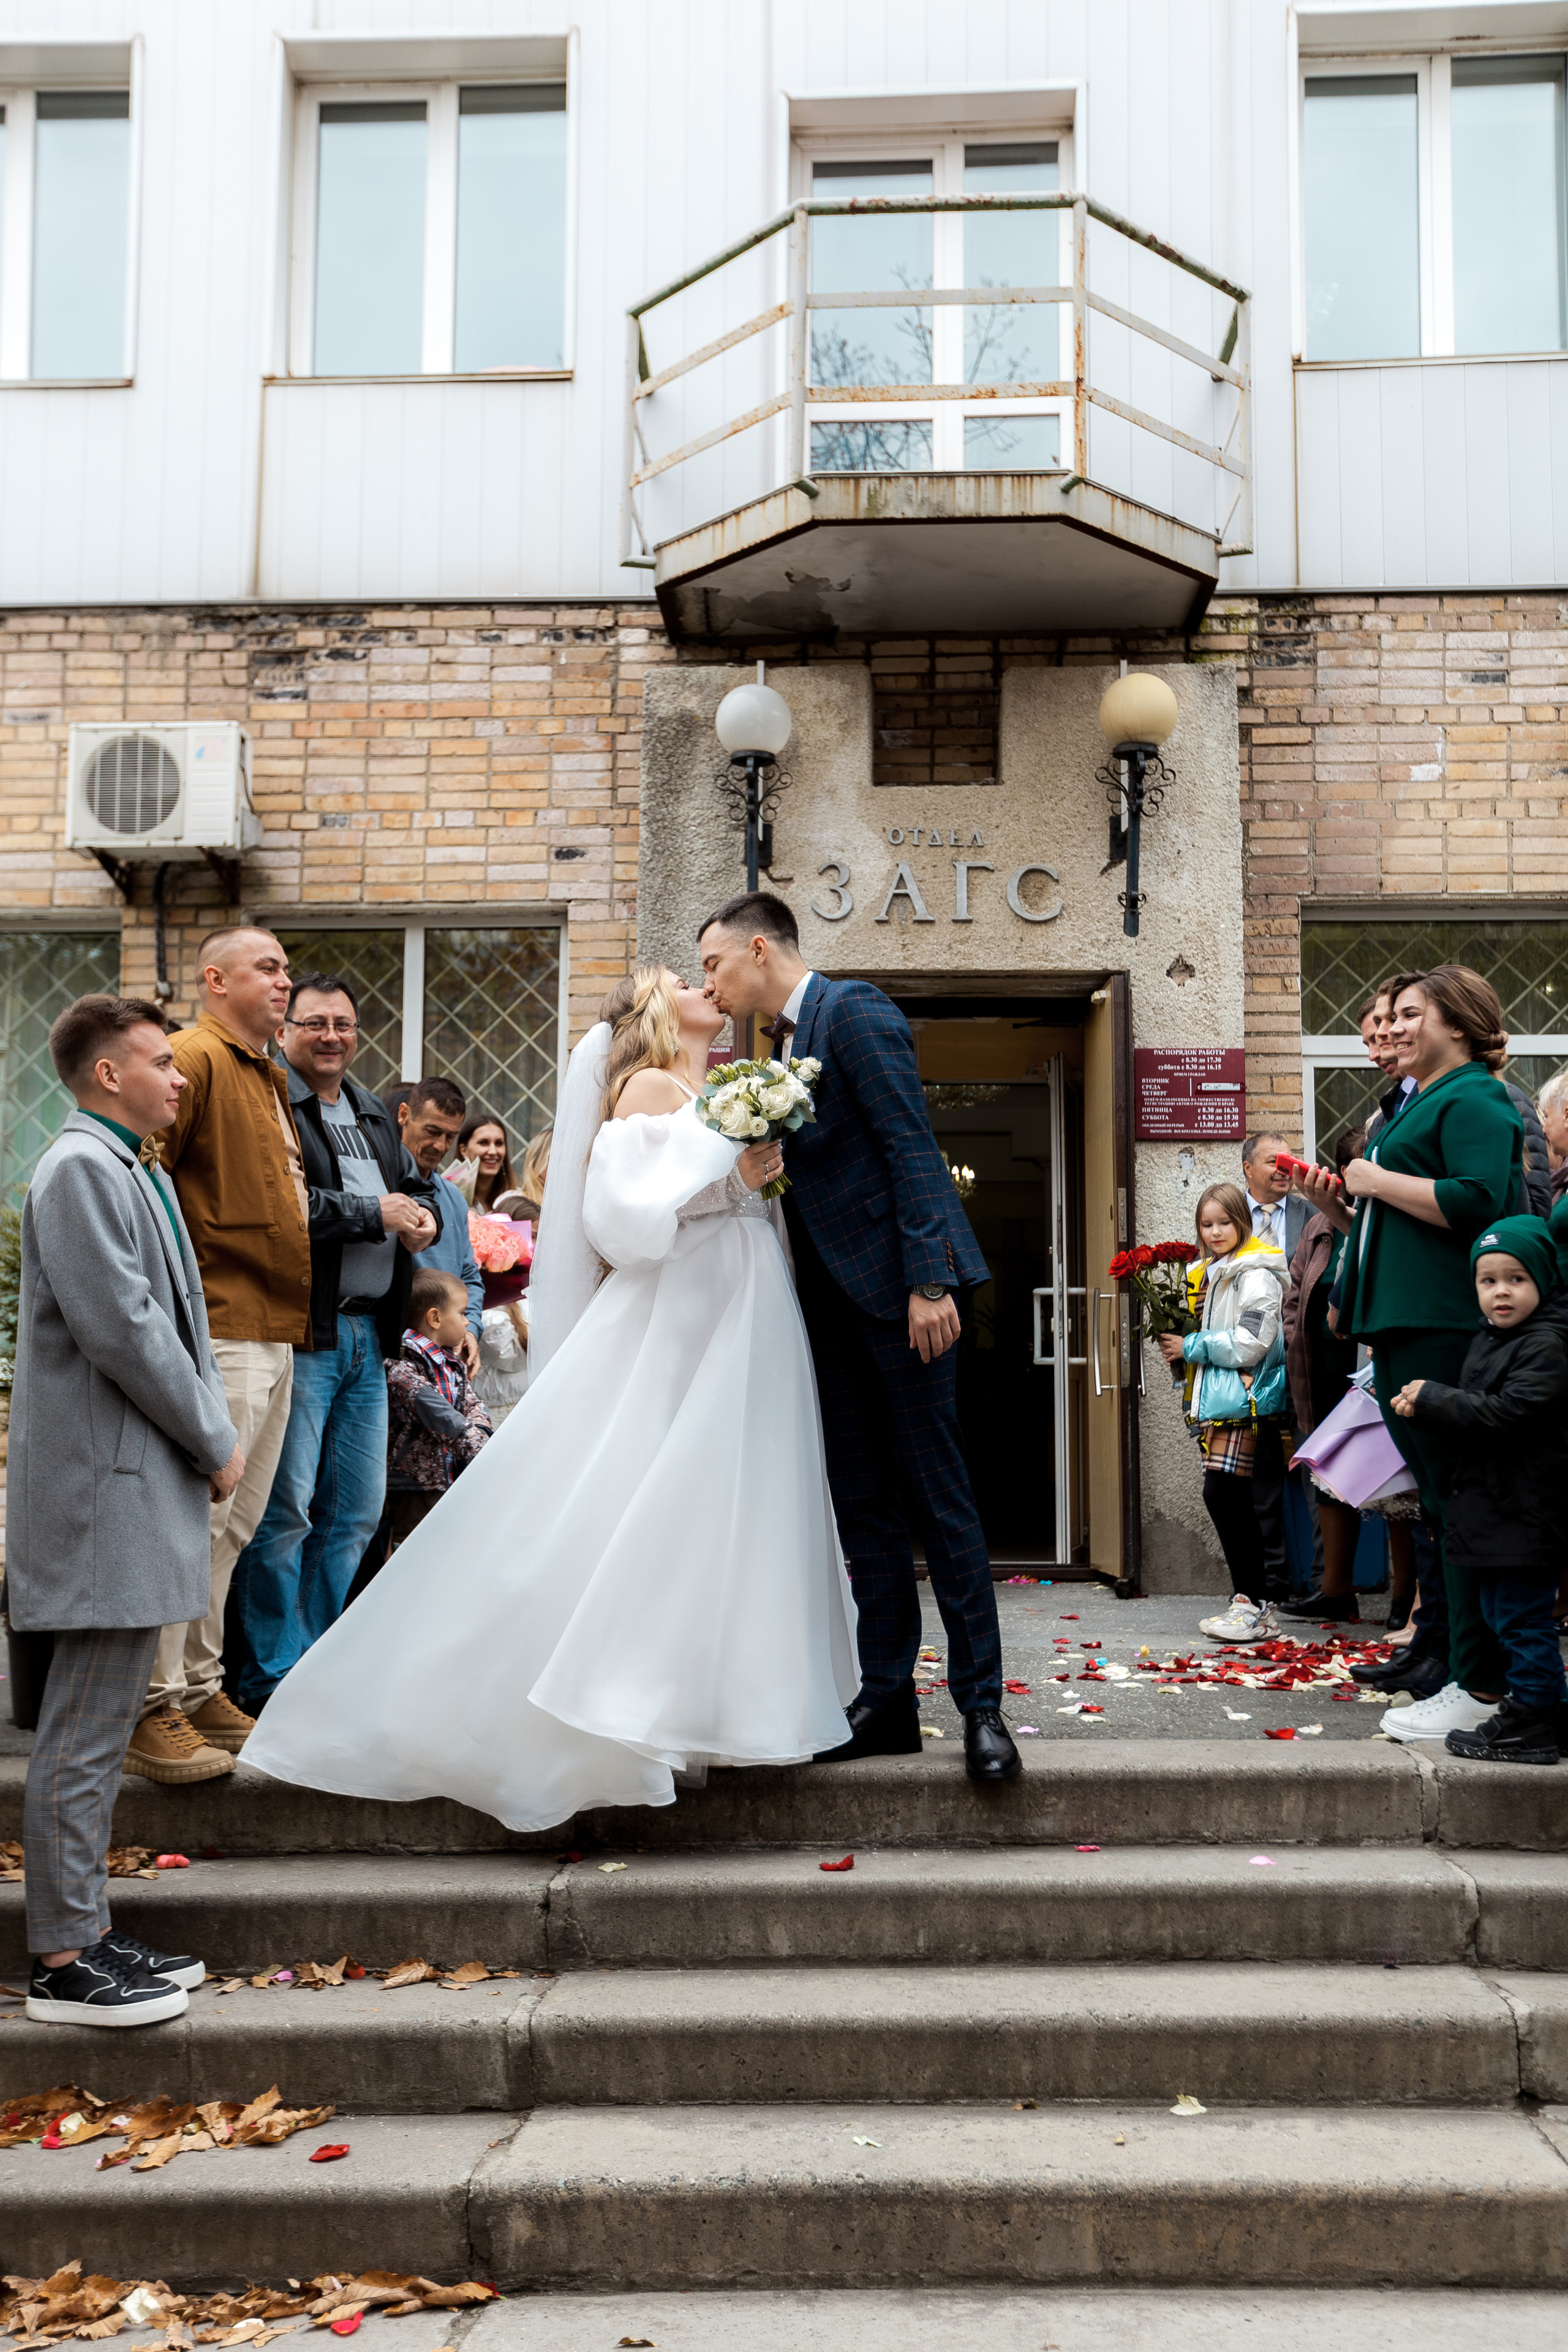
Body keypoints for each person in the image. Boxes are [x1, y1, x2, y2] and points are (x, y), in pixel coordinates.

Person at [241, 966, 857, 1829]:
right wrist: (737, 1182)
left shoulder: (708, 1084)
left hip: (737, 1299)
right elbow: (630, 1220)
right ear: (653, 1009)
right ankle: (615, 1697)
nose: (702, 985)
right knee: (659, 1492)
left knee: (711, 1501)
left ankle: (703, 1700)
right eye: (684, 978)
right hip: (687, 1309)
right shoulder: (646, 1085)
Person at [698, 891, 1019, 1786]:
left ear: (758, 949)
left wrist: (928, 1280)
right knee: (863, 1508)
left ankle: (983, 1709)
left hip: (898, 1299)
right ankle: (886, 1702)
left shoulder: (856, 1010)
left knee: (939, 1503)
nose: (709, 985)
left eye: (714, 965)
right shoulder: (783, 1048)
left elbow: (910, 1145)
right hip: (830, 1311)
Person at [13, 997, 240, 2026]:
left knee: (99, 1731)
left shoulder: (117, 1165)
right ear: (111, 1075)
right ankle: (63, 1958)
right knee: (84, 1732)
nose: (180, 1074)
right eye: (161, 1060)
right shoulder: (80, 1172)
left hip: (126, 1492)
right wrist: (215, 1434)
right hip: (103, 1500)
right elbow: (130, 1331)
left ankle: (90, 1927)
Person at [1302, 964, 1523, 1745]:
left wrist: (1374, 1177)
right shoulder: (1423, 1100)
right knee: (1437, 1503)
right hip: (1402, 1323)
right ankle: (1465, 1673)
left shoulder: (1473, 1097)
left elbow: (1475, 1200)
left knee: (1457, 1505)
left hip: (1439, 1324)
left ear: (1456, 1024)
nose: (1390, 1027)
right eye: (1386, 1014)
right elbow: (1382, 1217)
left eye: (1408, 1013)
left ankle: (1480, 1681)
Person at [121, 926, 306, 1785]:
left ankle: (199, 1688)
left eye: (285, 969)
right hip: (221, 1325)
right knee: (192, 1521)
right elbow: (148, 1186)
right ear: (214, 977)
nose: (283, 982)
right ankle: (151, 1704)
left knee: (234, 1526)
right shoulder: (193, 1056)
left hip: (274, 1325)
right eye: (267, 968)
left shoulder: (265, 1071)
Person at [228, 973, 439, 1716]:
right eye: (313, 1023)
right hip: (306, 1331)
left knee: (356, 1510)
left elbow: (415, 1189)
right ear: (284, 1033)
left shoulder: (372, 1110)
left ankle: (315, 1661)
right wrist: (371, 1212)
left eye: (343, 1024)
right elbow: (280, 1205)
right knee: (287, 1510)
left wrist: (422, 1217)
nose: (331, 1036)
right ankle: (265, 1674)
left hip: (368, 1338)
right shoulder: (272, 1106)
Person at [1387, 1217, 1568, 1762]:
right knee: (1503, 1615)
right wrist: (1426, 1410)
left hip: (1524, 1513)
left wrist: (1438, 1401)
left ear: (1542, 1280)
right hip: (1498, 1510)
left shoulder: (1547, 1344)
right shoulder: (1496, 1339)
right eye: (1488, 1282)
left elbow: (1513, 1414)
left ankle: (1536, 1717)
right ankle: (1537, 1709)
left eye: (1515, 1279)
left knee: (1521, 1617)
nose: (1501, 1292)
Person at [1280, 1123, 1421, 1629]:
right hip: (1325, 1368)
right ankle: (1335, 1588)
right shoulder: (1320, 1225)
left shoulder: (1392, 1218)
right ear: (1344, 1174)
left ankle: (1405, 1599)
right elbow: (1297, 1296)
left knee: (1400, 1484)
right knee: (1331, 1472)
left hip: (1377, 1364)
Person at [1160, 1182, 1289, 1632]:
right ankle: (1251, 1602)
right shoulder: (1215, 1273)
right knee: (1229, 1498)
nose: (1215, 1232)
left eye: (1224, 1222)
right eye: (1207, 1224)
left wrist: (1191, 1345)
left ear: (1243, 1222)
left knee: (1226, 1496)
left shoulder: (1255, 1273)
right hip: (1225, 1400)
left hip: (1245, 1399)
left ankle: (1254, 1603)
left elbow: (1253, 1341)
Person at [1239, 1131, 1316, 1605]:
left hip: (1302, 1361)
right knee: (1258, 1475)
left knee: (1316, 1467)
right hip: (1246, 1368)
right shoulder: (1227, 1217)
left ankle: (1327, 1582)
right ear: (1248, 1168)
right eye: (1273, 1161)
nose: (1284, 1168)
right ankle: (1271, 1582)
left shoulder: (1313, 1217)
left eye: (1289, 1160)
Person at [382, 1268, 492, 1553]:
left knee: (448, 1548)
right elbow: (430, 1406)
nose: (468, 1322)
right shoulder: (402, 1357)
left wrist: (480, 1429)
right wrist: (472, 1439)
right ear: (435, 1318)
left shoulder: (450, 1360)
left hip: (449, 1476)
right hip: (417, 1484)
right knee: (415, 1552)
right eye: (463, 1313)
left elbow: (471, 1401)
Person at [397, 1076, 482, 1375]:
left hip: (444, 1358)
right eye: (432, 1131)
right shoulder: (380, 1186)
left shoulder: (453, 1198)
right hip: (394, 1352)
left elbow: (469, 1274)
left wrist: (470, 1328)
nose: (440, 1145)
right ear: (404, 1115)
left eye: (450, 1136)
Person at [451, 1111, 524, 1214]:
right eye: (484, 1143)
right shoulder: (449, 1197)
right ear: (463, 1150)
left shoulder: (518, 1200)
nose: (493, 1151)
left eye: (499, 1144)